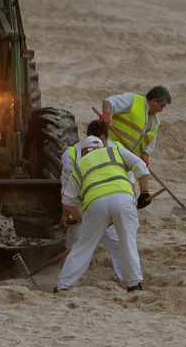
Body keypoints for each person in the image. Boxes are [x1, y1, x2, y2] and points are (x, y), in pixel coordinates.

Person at [55, 123, 151, 293]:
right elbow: (141, 167)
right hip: (123, 199)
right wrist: (144, 193)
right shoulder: (115, 151)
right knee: (127, 242)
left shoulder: (79, 164)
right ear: (102, 145)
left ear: (84, 151)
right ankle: (134, 284)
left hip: (95, 204)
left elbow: (68, 201)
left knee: (83, 246)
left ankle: (63, 286)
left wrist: (82, 220)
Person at [60, 119, 130, 285]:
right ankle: (68, 282)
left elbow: (130, 177)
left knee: (116, 241)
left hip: (110, 198)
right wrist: (69, 214)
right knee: (76, 242)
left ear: (106, 137)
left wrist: (131, 200)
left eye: (102, 140)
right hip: (81, 203)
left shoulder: (116, 149)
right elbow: (66, 188)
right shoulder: (72, 154)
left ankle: (126, 278)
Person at [100, 86, 171, 164]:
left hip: (128, 160)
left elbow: (149, 145)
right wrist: (106, 113)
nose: (161, 110)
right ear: (154, 101)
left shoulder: (155, 122)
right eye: (162, 106)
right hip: (110, 148)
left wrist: (145, 154)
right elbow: (109, 102)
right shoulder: (132, 100)